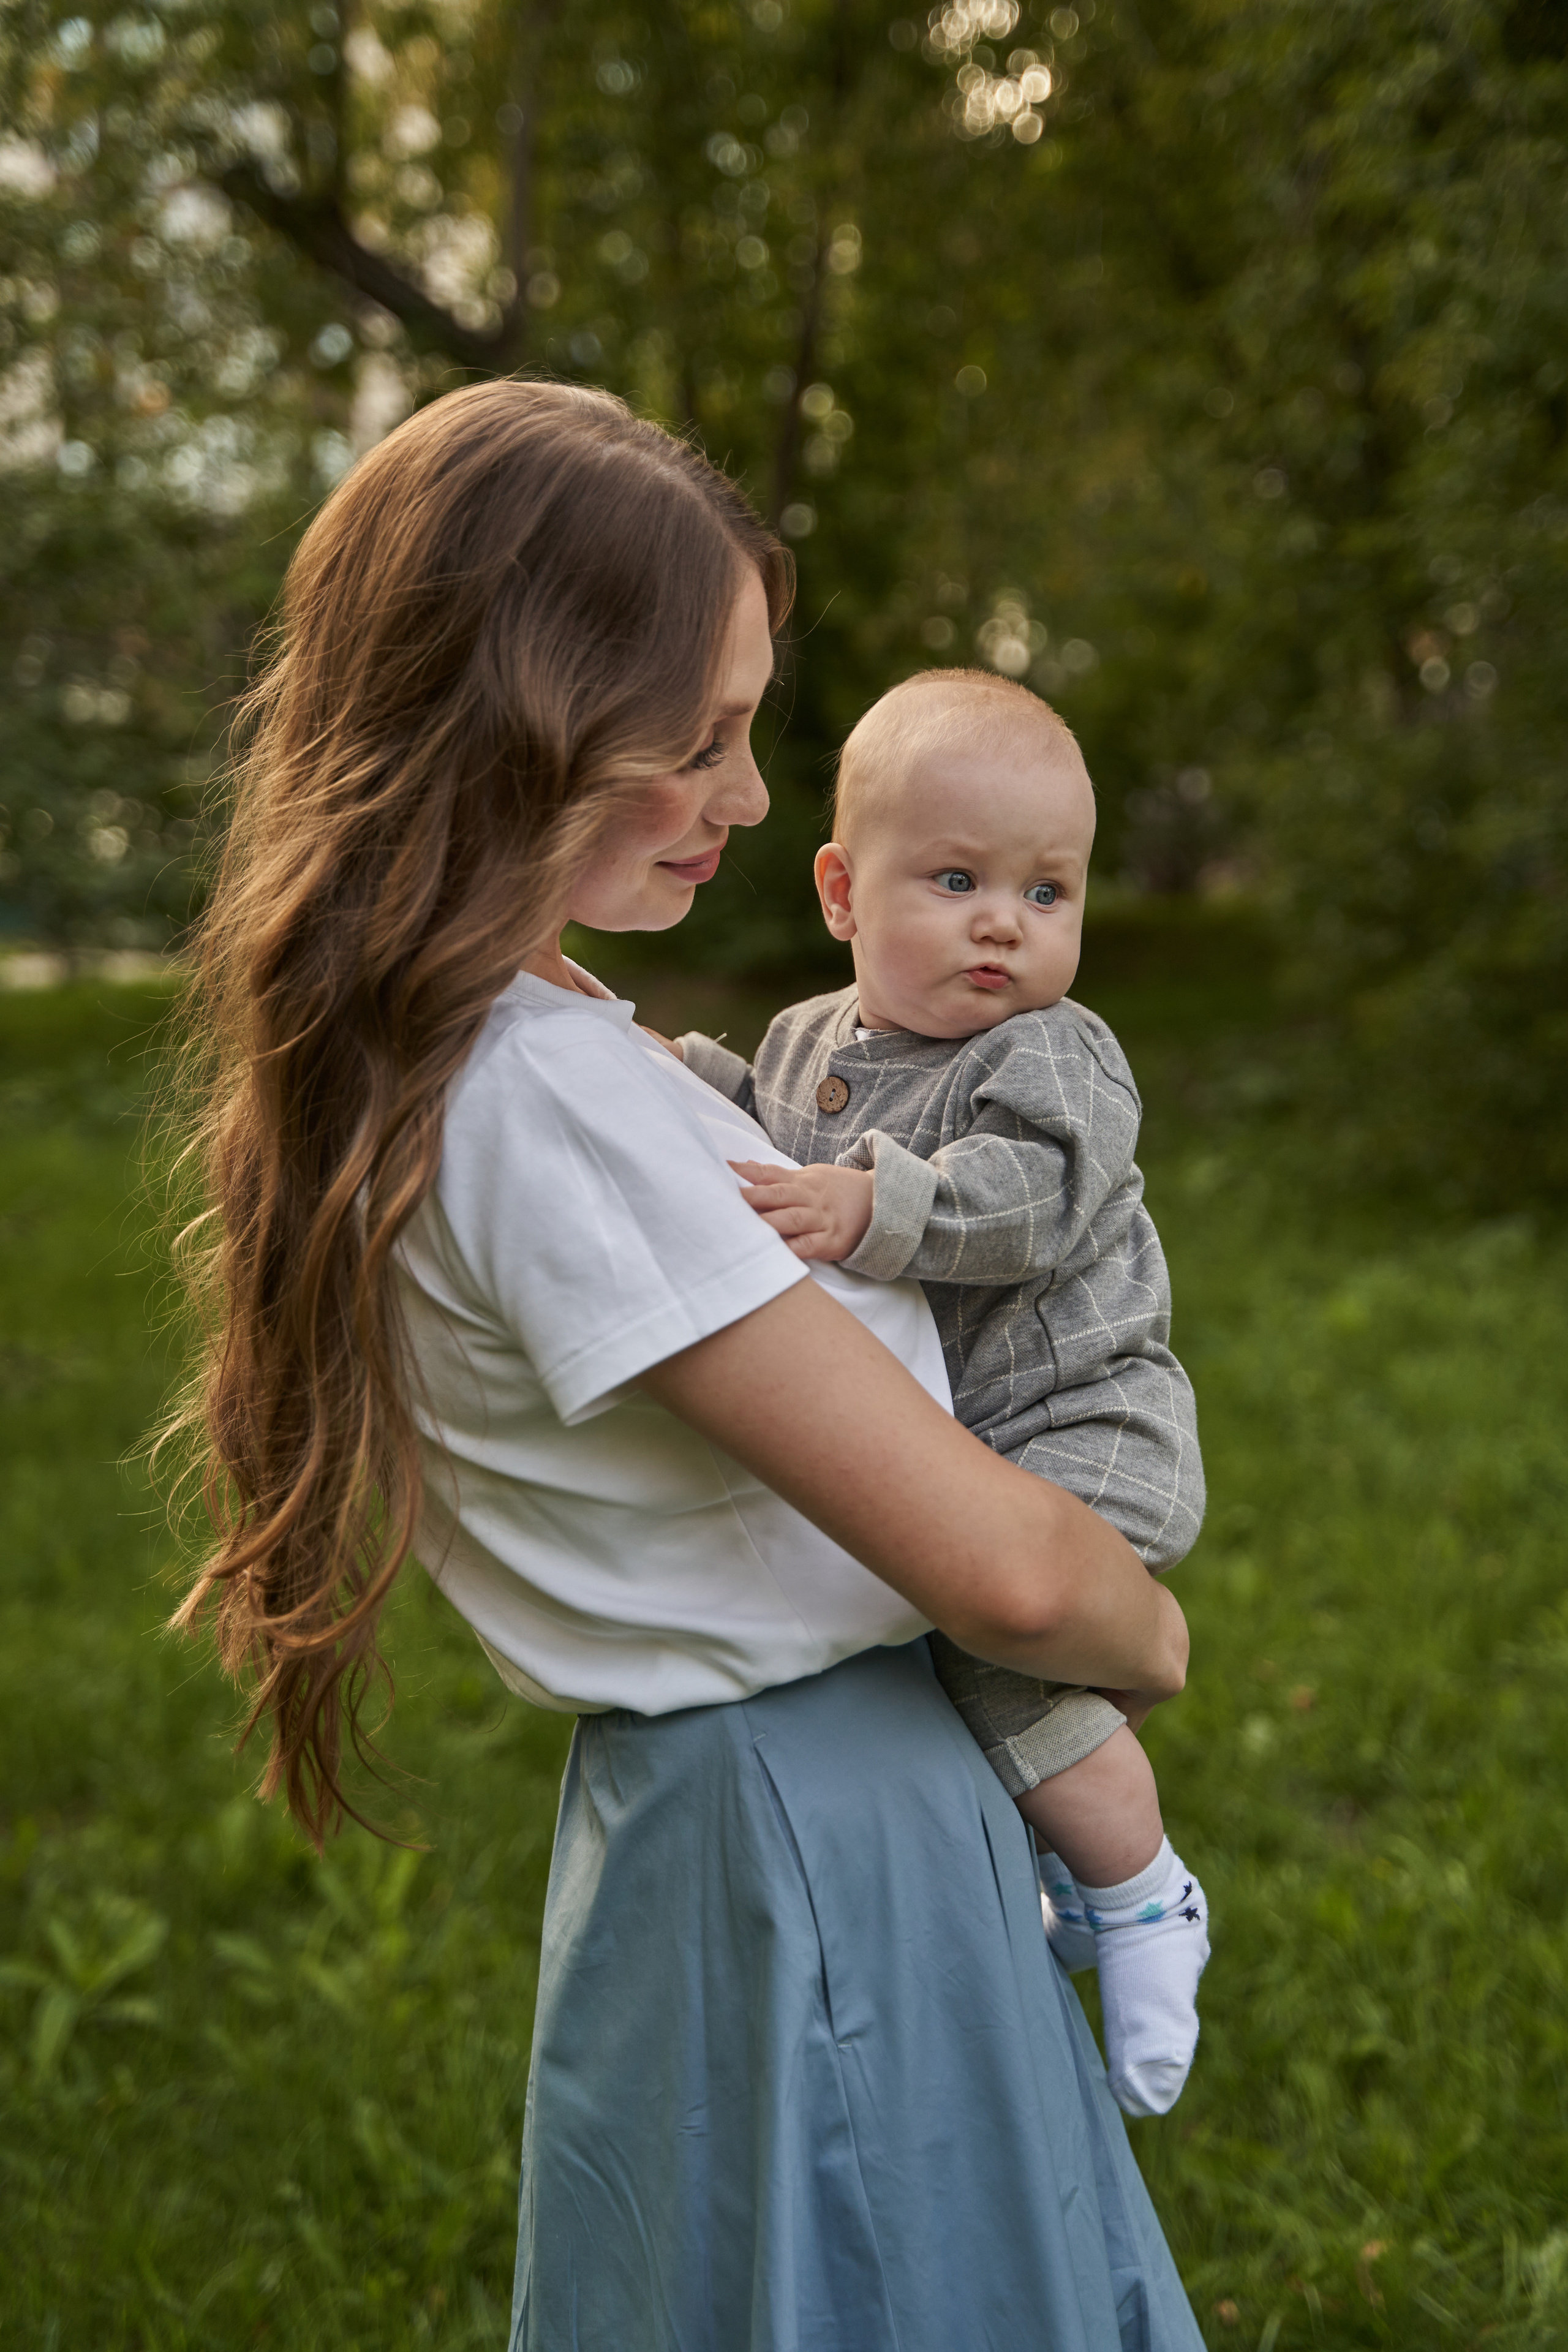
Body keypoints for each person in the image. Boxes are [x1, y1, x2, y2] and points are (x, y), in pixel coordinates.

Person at [167, 377, 1205, 2351]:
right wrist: (1141, 1635)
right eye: (700, 739)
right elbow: (1010, 1577)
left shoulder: (515, 1040)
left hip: (775, 1814)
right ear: (520, 724)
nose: (747, 798)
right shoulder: (538, 1100)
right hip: (815, 1829)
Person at [676, 668, 1210, 2120]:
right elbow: (764, 1138)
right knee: (942, 1663)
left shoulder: (1055, 1052)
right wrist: (675, 1079)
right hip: (968, 1438)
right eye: (958, 880)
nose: (1003, 924)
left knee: (985, 1647)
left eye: (1046, 891)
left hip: (1080, 1430)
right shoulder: (807, 1038)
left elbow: (1028, 1198)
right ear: (841, 893)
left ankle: (1143, 1894)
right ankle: (1060, 1860)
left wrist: (874, 1206)